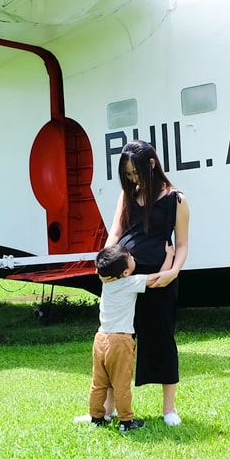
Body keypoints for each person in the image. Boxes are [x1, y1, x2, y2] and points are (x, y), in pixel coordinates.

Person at [105, 139, 189, 426]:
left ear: (151, 165)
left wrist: (173, 272)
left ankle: (169, 408)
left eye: (135, 173)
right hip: (125, 279)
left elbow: (182, 245)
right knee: (118, 340)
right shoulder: (126, 196)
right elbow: (115, 234)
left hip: (160, 279)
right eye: (127, 174)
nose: (132, 179)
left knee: (163, 338)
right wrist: (105, 263)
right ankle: (108, 407)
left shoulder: (176, 199)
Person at [85, 244, 150, 432]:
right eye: (130, 256)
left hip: (100, 338)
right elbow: (159, 281)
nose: (132, 256)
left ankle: (97, 417)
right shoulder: (130, 282)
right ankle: (126, 421)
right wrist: (173, 262)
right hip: (120, 341)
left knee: (98, 383)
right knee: (121, 384)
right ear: (125, 272)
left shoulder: (106, 281)